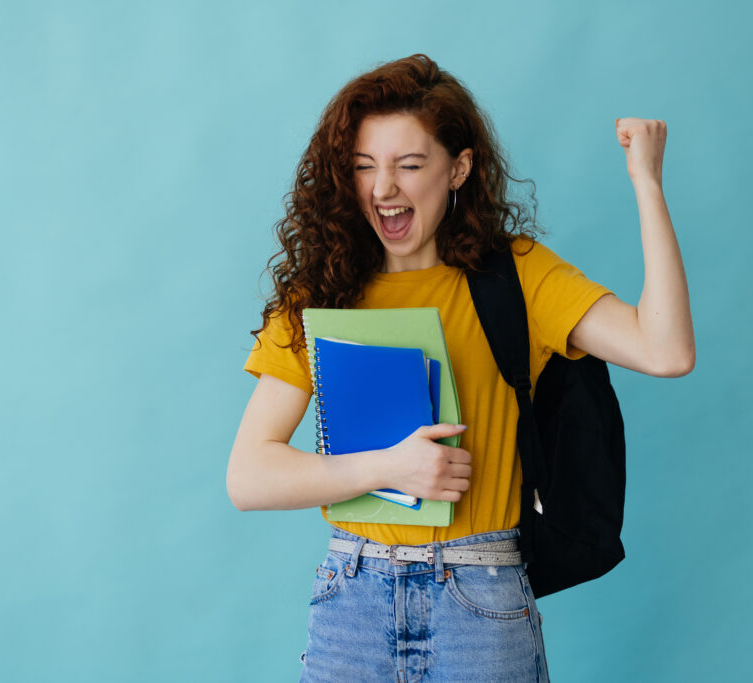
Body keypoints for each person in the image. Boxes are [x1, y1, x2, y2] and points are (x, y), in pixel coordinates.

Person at [227, 53, 693, 682]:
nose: (383, 188)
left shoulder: (517, 275)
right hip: (352, 599)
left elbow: (666, 351)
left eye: (409, 165)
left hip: (480, 599)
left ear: (460, 168)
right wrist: (392, 467)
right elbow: (249, 477)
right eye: (364, 167)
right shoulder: (322, 292)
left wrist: (647, 183)